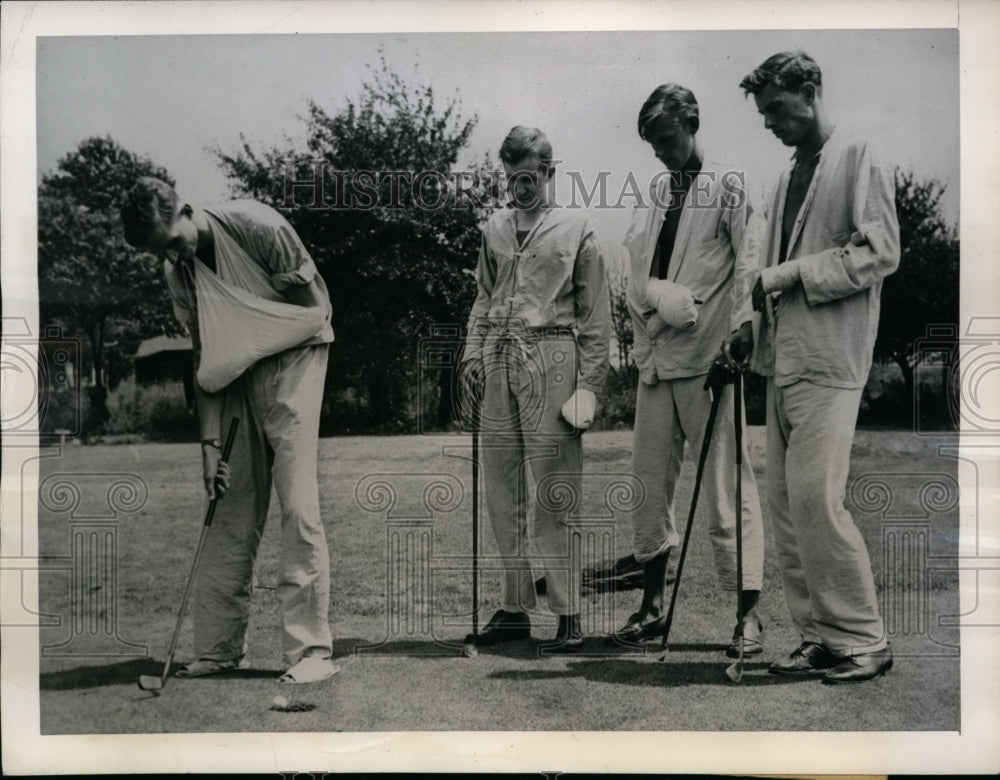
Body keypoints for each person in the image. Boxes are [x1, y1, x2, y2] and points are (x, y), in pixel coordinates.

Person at [120, 178, 339, 684]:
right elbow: (206, 359)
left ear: (188, 211)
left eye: (174, 243)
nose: (174, 257)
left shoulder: (256, 225)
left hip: (296, 360)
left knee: (299, 503)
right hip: (232, 375)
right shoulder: (179, 274)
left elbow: (313, 314)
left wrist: (250, 337)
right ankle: (219, 650)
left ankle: (311, 654)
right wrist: (209, 445)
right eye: (162, 253)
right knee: (226, 509)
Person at [738, 50, 899, 683]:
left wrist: (792, 274)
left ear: (810, 91)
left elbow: (880, 252)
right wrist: (750, 330)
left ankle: (864, 640)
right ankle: (819, 639)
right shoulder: (785, 177)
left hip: (833, 360)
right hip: (783, 362)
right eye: (764, 113)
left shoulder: (859, 155)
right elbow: (766, 270)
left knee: (816, 500)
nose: (770, 122)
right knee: (785, 505)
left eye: (777, 108)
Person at [612, 84, 766, 656]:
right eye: (652, 144)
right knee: (648, 491)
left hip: (709, 363)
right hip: (655, 364)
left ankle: (747, 617)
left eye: (667, 139)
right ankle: (651, 609)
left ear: (692, 122)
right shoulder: (655, 193)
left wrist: (741, 332)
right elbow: (638, 268)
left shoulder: (730, 183)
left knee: (726, 490)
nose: (660, 152)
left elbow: (749, 259)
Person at [460, 127, 610, 652]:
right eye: (510, 179)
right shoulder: (494, 228)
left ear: (549, 170)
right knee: (501, 491)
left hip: (553, 354)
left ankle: (569, 616)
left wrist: (589, 387)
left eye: (527, 178)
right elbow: (484, 297)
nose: (518, 188)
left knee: (553, 492)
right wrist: (472, 355)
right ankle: (513, 608)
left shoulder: (577, 227)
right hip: (499, 355)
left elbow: (596, 319)